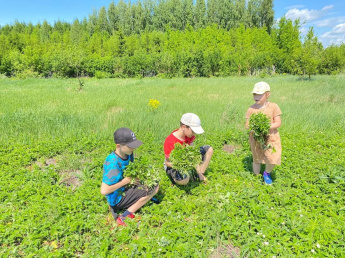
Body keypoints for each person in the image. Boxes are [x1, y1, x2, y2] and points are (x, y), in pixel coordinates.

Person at [100, 127, 159, 226]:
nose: (133, 148)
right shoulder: (113, 163)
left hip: (125, 188)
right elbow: (104, 191)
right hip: (116, 198)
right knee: (154, 189)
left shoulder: (128, 154)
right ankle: (125, 216)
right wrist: (126, 181)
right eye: (130, 146)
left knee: (154, 183)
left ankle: (142, 198)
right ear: (119, 145)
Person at [245, 81, 282, 185]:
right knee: (256, 158)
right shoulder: (251, 109)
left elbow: (278, 123)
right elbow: (247, 124)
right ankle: (256, 178)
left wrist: (266, 127)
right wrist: (254, 129)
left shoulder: (274, 107)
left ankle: (267, 173)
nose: (256, 97)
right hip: (256, 138)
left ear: (267, 94)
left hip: (271, 137)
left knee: (273, 158)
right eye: (254, 94)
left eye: (259, 94)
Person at [163, 113, 214, 185]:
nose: (194, 134)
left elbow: (192, 153)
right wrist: (184, 164)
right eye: (193, 131)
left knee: (209, 149)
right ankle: (180, 177)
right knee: (184, 180)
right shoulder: (170, 141)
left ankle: (199, 174)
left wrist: (199, 172)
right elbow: (167, 163)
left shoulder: (189, 135)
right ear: (184, 127)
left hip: (186, 159)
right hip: (174, 164)